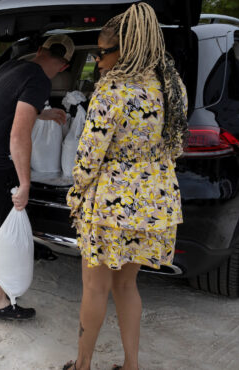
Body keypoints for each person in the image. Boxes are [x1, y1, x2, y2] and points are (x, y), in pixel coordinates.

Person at [62, 3, 188, 370]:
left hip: (111, 207)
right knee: (127, 286)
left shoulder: (111, 91)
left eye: (103, 53)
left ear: (127, 49)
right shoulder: (171, 84)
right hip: (156, 203)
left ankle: (83, 366)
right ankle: (132, 365)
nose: (98, 61)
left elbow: (87, 161)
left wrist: (77, 192)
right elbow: (176, 145)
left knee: (95, 287)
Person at [0, 34, 73, 320]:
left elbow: (3, 107)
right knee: (6, 231)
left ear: (40, 50)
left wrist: (42, 114)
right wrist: (25, 183)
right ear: (64, 66)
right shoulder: (39, 80)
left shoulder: (12, 67)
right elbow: (19, 135)